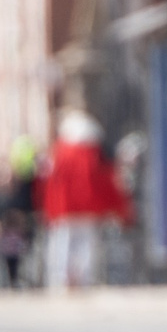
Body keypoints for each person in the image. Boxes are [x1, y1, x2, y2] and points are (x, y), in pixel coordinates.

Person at [39, 112, 127, 290]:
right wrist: (118, 209)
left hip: (64, 209)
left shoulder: (59, 153)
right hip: (89, 207)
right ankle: (84, 280)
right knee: (86, 244)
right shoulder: (96, 153)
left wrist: (49, 209)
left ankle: (60, 280)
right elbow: (107, 181)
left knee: (63, 244)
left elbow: (49, 183)